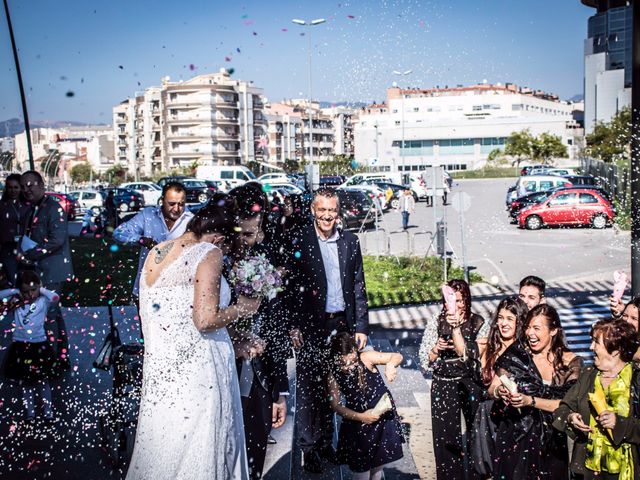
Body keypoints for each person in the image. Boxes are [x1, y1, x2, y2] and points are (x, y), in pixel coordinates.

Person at [126, 199, 261, 480]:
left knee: (167, 449)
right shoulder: (208, 252)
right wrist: (243, 309)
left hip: (164, 375)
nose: (224, 254)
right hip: (201, 377)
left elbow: (177, 318)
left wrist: (234, 339)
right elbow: (204, 319)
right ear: (220, 237)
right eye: (226, 246)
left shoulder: (156, 252)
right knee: (204, 447)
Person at [287, 187, 369, 474]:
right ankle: (309, 449)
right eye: (321, 210)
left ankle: (326, 444)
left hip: (341, 324)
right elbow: (289, 288)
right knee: (310, 387)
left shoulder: (350, 241)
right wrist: (293, 325)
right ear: (312, 210)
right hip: (311, 324)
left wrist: (361, 326)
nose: (326, 216)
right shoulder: (300, 240)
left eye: (331, 211)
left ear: (338, 212)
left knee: (332, 386)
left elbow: (359, 285)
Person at [226, 183, 289, 480]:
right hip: (224, 364)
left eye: (250, 233)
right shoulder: (220, 256)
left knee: (255, 449)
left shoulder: (273, 253)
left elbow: (277, 323)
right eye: (240, 233)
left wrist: (280, 392)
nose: (245, 241)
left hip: (262, 369)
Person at [487, 304, 583, 479]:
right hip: (515, 435)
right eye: (528, 327)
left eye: (537, 328)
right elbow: (491, 389)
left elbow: (568, 404)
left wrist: (530, 401)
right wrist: (500, 391)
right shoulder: (517, 353)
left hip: (551, 441)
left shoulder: (570, 363)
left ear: (553, 331)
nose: (530, 333)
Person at [554, 319, 640, 480]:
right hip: (587, 470)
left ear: (615, 350)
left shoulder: (636, 379)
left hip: (626, 471)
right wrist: (571, 418)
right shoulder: (588, 375)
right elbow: (563, 408)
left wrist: (619, 423)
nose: (591, 347)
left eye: (596, 342)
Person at [418, 279, 486, 480]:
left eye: (459, 301)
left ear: (467, 300)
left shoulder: (478, 322)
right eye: (451, 301)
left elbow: (483, 355)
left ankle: (477, 475)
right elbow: (424, 360)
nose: (455, 306)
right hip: (443, 383)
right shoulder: (436, 321)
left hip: (470, 382)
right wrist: (436, 349)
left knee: (476, 433)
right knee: (445, 438)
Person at [327, 332, 404, 480]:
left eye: (352, 362)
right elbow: (335, 405)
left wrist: (390, 365)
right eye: (344, 364)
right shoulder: (333, 373)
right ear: (336, 358)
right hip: (357, 425)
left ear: (355, 351)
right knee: (360, 471)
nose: (349, 368)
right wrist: (362, 417)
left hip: (381, 420)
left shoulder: (366, 357)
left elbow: (397, 356)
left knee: (377, 468)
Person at [18, 171, 73, 368]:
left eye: (30, 185)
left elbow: (57, 239)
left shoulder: (53, 208)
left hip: (53, 270)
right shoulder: (32, 208)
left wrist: (32, 253)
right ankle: (61, 355)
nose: (26, 190)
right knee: (53, 315)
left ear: (42, 185)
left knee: (48, 315)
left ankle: (52, 360)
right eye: (23, 186)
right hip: (39, 269)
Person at [471, 297, 528, 477]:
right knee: (488, 471)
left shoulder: (526, 349)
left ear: (520, 321)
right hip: (489, 415)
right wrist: (497, 391)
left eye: (510, 319)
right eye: (501, 318)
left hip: (518, 420)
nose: (503, 323)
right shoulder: (488, 345)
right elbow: (490, 387)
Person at [113, 182, 193, 299]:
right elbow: (118, 233)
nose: (176, 209)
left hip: (178, 291)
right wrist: (141, 240)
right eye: (171, 204)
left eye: (181, 204)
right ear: (162, 200)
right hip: (147, 287)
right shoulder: (148, 215)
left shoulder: (191, 220)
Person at [1, 270, 60, 420]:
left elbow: (55, 297)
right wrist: (16, 291)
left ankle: (48, 412)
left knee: (43, 381)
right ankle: (30, 413)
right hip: (20, 347)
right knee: (25, 382)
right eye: (27, 291)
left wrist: (41, 290)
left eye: (34, 290)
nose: (31, 294)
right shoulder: (16, 302)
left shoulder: (42, 301)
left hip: (39, 346)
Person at [0, 174, 29, 285]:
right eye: (10, 187)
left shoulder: (28, 205)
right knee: (13, 279)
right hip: (8, 248)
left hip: (25, 247)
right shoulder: (2, 206)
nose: (13, 191)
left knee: (26, 280)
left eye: (16, 187)